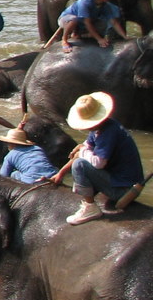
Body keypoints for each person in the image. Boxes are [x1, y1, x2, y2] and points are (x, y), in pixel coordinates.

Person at [52, 91, 143, 224]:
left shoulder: (108, 133)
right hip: (118, 180)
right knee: (82, 156)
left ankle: (90, 208)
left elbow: (98, 163)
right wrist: (61, 173)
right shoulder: (101, 128)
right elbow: (84, 148)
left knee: (79, 164)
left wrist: (82, 151)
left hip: (123, 190)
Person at [58, 0, 122, 51]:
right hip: (68, 19)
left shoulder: (105, 5)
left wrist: (124, 36)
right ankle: (64, 39)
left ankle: (81, 35)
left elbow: (114, 22)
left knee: (102, 23)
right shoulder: (84, 3)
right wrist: (99, 39)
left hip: (84, 22)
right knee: (73, 19)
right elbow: (87, 23)